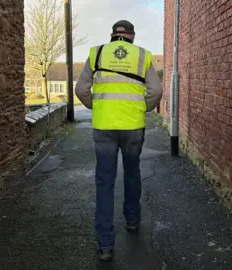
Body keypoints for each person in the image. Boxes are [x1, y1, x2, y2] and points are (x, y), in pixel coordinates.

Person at [75, 20, 163, 261]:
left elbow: (81, 89)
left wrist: (97, 106)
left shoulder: (98, 53)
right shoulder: (142, 55)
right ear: (132, 36)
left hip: (104, 127)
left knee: (104, 182)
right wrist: (141, 109)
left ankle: (105, 245)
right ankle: (133, 220)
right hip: (133, 127)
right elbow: (155, 91)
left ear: (113, 35)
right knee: (132, 171)